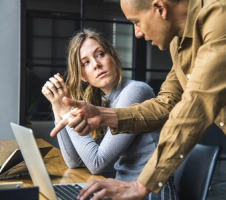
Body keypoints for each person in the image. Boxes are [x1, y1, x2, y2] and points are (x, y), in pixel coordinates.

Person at [51, 0, 226, 199]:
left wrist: (142, 184)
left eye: (136, 22)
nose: (137, 33)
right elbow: (167, 103)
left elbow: (198, 102)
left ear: (159, 8)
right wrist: (103, 115)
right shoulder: (180, 44)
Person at [42, 29, 178, 200]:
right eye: (85, 63)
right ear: (83, 76)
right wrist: (57, 106)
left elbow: (96, 163)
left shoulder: (135, 91)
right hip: (122, 191)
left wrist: (66, 112)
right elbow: (73, 162)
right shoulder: (103, 100)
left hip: (150, 193)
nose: (96, 64)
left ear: (114, 56)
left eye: (100, 54)